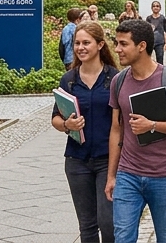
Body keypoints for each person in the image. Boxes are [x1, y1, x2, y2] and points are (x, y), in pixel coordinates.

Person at [106, 19, 166, 243]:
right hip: (128, 174)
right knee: (123, 237)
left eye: (123, 44)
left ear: (142, 46)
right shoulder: (118, 82)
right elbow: (116, 130)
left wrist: (152, 125)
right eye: (117, 43)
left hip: (165, 173)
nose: (117, 49)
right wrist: (111, 176)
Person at [53, 21, 119, 243]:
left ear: (100, 45)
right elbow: (56, 117)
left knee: (108, 221)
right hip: (77, 159)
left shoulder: (114, 78)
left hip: (107, 159)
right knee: (87, 225)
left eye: (86, 43)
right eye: (77, 43)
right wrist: (66, 125)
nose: (80, 47)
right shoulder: (69, 80)